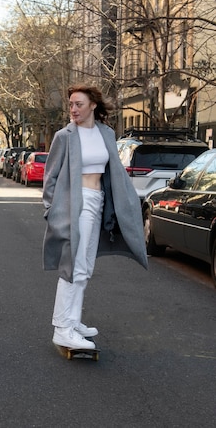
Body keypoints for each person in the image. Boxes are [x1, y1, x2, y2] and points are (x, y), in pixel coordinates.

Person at [42, 84, 148, 350]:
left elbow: (113, 170)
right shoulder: (65, 136)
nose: (73, 109)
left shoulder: (106, 133)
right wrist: (50, 209)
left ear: (93, 106)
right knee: (73, 265)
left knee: (86, 266)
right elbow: (50, 177)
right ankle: (62, 329)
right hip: (76, 202)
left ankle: (73, 320)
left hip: (99, 201)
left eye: (78, 104)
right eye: (71, 105)